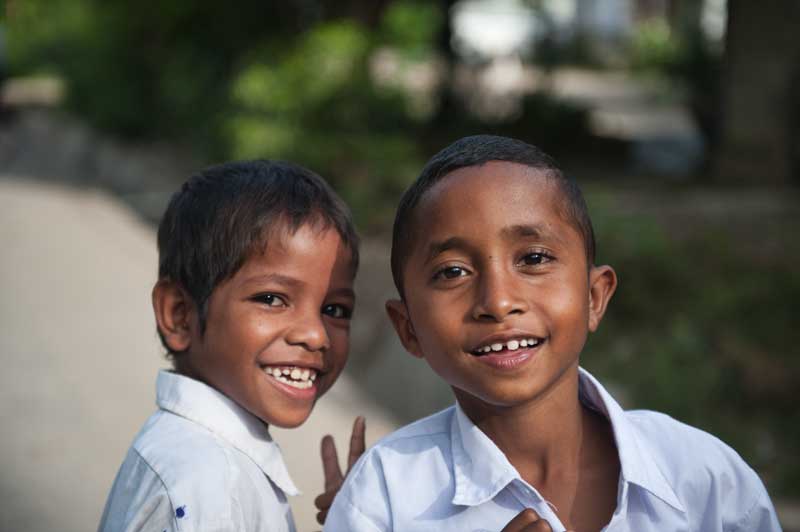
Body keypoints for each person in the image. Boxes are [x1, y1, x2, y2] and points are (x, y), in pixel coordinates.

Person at [321, 135, 782, 531]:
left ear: (594, 297)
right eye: (453, 271)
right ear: (409, 330)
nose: (499, 301)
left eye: (534, 259)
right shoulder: (386, 497)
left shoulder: (703, 480)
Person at [98, 160, 364, 532]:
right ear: (179, 315)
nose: (316, 335)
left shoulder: (200, 457)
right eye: (272, 299)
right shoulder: (212, 484)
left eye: (334, 309)